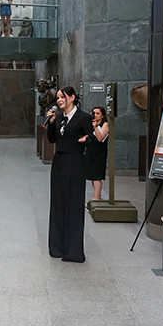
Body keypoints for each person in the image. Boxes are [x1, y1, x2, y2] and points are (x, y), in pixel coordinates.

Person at [46, 86, 94, 263]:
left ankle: (73, 251)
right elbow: (52, 139)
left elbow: (92, 138)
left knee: (74, 205)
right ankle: (57, 247)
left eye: (62, 97)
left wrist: (85, 140)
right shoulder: (58, 118)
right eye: (58, 98)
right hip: (59, 163)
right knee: (58, 204)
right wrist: (51, 123)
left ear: (72, 97)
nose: (59, 100)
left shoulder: (83, 117)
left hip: (75, 163)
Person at [84, 106, 109, 201]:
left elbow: (100, 138)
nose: (95, 115)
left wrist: (95, 127)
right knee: (91, 175)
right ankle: (97, 195)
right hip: (91, 150)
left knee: (96, 175)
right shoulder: (91, 123)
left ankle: (96, 198)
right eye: (94, 113)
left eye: (98, 113)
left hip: (99, 152)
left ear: (102, 115)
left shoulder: (105, 124)